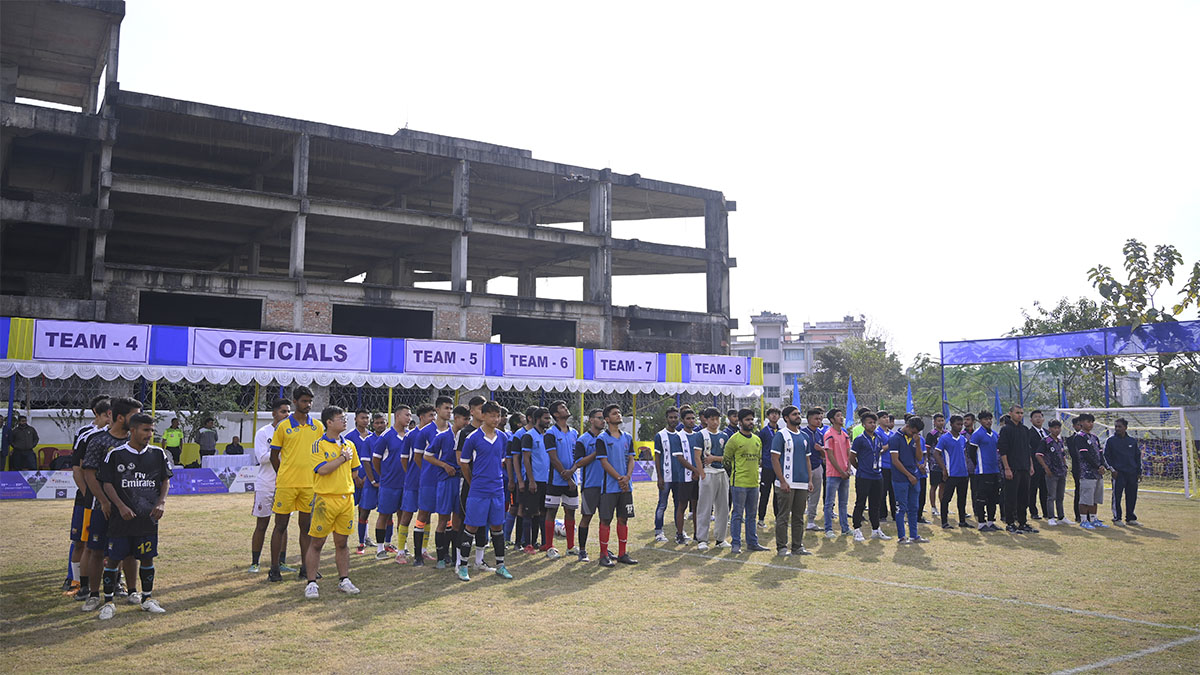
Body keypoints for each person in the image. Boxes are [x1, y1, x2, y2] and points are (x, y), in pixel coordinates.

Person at [96, 412, 171, 620]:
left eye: (152, 430)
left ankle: (147, 599)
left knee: (147, 558)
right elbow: (107, 483)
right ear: (133, 430)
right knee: (113, 559)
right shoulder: (116, 455)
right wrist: (120, 506)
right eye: (145, 430)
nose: (150, 434)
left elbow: (165, 480)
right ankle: (108, 603)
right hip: (121, 519)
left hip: (147, 519)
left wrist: (161, 502)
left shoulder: (158, 454)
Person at [81, 397, 143, 612]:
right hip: (103, 507)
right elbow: (89, 474)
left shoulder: (136, 442)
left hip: (130, 508)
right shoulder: (98, 441)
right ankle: (93, 595)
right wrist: (104, 501)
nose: (138, 420)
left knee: (130, 551)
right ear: (120, 417)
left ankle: (132, 590)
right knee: (97, 550)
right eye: (134, 416)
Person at [302, 406, 361, 599]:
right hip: (325, 500)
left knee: (342, 542)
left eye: (345, 418)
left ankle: (344, 579)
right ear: (329, 422)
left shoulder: (349, 445)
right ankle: (311, 583)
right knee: (317, 542)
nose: (345, 421)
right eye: (340, 418)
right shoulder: (318, 445)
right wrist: (342, 459)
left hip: (346, 499)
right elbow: (322, 470)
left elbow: (355, 471)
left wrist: (344, 471)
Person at [267, 386, 324, 582]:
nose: (307, 405)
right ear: (295, 402)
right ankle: (274, 569)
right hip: (287, 485)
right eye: (304, 401)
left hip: (309, 485)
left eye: (310, 401)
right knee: (280, 526)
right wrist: (283, 474)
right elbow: (274, 455)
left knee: (306, 527)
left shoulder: (318, 426)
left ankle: (306, 568)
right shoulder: (283, 426)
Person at [456, 401, 514, 581]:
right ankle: (463, 566)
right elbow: (464, 464)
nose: (496, 419)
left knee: (497, 526)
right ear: (483, 415)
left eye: (498, 416)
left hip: (497, 490)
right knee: (471, 526)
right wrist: (473, 482)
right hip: (478, 490)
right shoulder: (472, 438)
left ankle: (500, 565)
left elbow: (501, 460)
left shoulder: (503, 437)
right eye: (492, 415)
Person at [66, 396, 111, 599]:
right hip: (86, 499)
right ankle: (74, 580)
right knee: (81, 542)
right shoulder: (85, 434)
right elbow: (78, 469)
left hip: (106, 499)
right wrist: (89, 495)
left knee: (108, 544)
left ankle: (112, 582)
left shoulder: (119, 437)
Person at [249, 398, 293, 574]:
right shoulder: (263, 433)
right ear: (274, 413)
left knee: (283, 524)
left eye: (288, 411)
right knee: (262, 524)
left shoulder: (292, 432)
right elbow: (261, 457)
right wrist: (279, 450)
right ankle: (255, 562)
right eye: (283, 411)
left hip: (286, 484)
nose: (287, 415)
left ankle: (281, 562)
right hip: (266, 484)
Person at [594, 404, 638, 567]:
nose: (618, 415)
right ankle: (603, 555)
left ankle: (622, 554)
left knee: (623, 519)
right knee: (605, 520)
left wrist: (627, 478)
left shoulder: (627, 437)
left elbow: (631, 459)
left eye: (619, 412)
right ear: (607, 419)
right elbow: (604, 462)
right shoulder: (602, 439)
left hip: (626, 487)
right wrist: (620, 478)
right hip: (610, 487)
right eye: (614, 413)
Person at [413, 396, 454, 566]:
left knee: (447, 517)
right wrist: (427, 471)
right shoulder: (425, 432)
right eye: (446, 408)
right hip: (429, 481)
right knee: (423, 515)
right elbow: (418, 456)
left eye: (451, 408)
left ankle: (445, 553)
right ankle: (417, 556)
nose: (449, 411)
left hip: (446, 480)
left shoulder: (453, 431)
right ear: (437, 410)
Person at [394, 404, 434, 564]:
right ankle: (400, 551)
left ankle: (423, 549)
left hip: (428, 482)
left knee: (426, 515)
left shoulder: (434, 433)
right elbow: (404, 459)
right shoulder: (411, 435)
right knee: (407, 515)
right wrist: (412, 474)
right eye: (430, 415)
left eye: (434, 415)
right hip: (413, 481)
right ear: (422, 417)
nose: (433, 418)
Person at [770, 405, 812, 555]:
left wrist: (810, 480)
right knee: (783, 516)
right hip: (786, 483)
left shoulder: (805, 436)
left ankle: (797, 546)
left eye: (799, 414)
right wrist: (782, 481)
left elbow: (807, 460)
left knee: (799, 517)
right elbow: (775, 459)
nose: (798, 416)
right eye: (794, 414)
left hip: (802, 483)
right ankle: (782, 547)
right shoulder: (781, 435)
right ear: (786, 418)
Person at [725, 409, 768, 554]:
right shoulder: (734, 439)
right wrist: (735, 475)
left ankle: (752, 543)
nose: (750, 422)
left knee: (752, 515)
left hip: (754, 483)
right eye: (747, 420)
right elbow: (726, 460)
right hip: (739, 483)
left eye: (752, 419)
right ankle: (736, 543)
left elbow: (758, 460)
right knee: (737, 514)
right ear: (740, 422)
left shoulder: (757, 440)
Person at [372, 404, 412, 561]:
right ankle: (380, 548)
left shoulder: (409, 435)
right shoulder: (386, 436)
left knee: (404, 515)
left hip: (406, 483)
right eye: (406, 415)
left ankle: (402, 547)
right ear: (397, 416)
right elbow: (376, 460)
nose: (409, 418)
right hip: (389, 484)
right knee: (384, 515)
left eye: (410, 415)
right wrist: (384, 475)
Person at [432, 406, 469, 568]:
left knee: (458, 520)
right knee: (443, 519)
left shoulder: (468, 437)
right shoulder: (442, 436)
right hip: (446, 481)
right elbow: (427, 456)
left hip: (460, 482)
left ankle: (456, 558)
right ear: (456, 418)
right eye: (464, 419)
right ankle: (441, 557)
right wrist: (444, 465)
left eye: (468, 419)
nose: (466, 422)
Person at [543, 400, 580, 557]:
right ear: (556, 414)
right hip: (556, 480)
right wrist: (566, 476)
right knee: (551, 511)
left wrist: (572, 471)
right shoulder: (550, 433)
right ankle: (549, 547)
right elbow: (553, 458)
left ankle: (570, 546)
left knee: (570, 512)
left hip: (572, 478)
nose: (566, 408)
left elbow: (578, 456)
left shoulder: (574, 433)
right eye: (562, 408)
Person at [692, 407, 730, 551]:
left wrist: (716, 459)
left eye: (717, 419)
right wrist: (702, 473)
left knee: (723, 507)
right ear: (706, 420)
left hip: (721, 472)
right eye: (712, 419)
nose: (715, 422)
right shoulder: (700, 435)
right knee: (705, 507)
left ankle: (720, 538)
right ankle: (702, 539)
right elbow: (697, 456)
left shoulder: (724, 436)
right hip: (708, 473)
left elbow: (727, 457)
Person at [849, 411, 889, 541]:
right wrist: (859, 468)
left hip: (877, 475)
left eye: (874, 422)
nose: (872, 425)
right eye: (869, 422)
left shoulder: (878, 438)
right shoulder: (860, 439)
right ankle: (857, 529)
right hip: (864, 476)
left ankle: (876, 529)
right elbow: (852, 457)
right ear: (863, 424)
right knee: (860, 503)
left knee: (875, 504)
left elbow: (878, 452)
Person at [997, 405, 1037, 534]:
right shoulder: (1006, 430)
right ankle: (1010, 523)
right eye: (1017, 413)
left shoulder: (1025, 430)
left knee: (1024, 497)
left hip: (1024, 467)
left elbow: (1028, 449)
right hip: (1012, 468)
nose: (1019, 415)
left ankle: (1022, 522)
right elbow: (1003, 451)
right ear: (1010, 413)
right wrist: (1007, 468)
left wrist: (1031, 465)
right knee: (1011, 497)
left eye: (1021, 413)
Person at [573, 408, 606, 562]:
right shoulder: (583, 440)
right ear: (591, 420)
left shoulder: (607, 437)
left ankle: (604, 551)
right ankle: (582, 550)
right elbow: (579, 462)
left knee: (605, 519)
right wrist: (596, 453)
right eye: (599, 418)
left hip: (607, 485)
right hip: (590, 485)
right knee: (586, 517)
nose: (603, 421)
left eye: (603, 418)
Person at [888, 416, 927, 544]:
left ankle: (914, 535)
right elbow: (895, 461)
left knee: (914, 507)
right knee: (901, 508)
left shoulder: (915, 438)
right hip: (900, 479)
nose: (914, 434)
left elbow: (919, 458)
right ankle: (902, 536)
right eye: (913, 431)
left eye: (917, 433)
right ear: (908, 426)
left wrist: (918, 443)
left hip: (914, 478)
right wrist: (909, 475)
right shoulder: (895, 439)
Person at [520, 407, 552, 557]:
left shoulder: (547, 436)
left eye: (549, 418)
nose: (548, 421)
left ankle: (544, 542)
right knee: (529, 513)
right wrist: (531, 480)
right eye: (546, 418)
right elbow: (526, 459)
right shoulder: (529, 436)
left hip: (546, 480)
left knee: (544, 512)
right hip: (534, 480)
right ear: (537, 419)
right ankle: (527, 544)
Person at [652, 408, 686, 544]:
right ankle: (659, 531)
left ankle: (680, 531)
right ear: (666, 418)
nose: (673, 420)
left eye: (675, 417)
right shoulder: (660, 435)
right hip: (666, 477)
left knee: (679, 505)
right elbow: (657, 456)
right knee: (662, 504)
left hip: (679, 477)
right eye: (671, 417)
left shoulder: (680, 436)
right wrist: (659, 477)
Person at [343, 410, 375, 555]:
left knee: (365, 509)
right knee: (350, 509)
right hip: (353, 478)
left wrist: (368, 477)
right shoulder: (349, 437)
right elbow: (347, 460)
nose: (365, 420)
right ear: (356, 419)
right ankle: (345, 537)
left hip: (368, 478)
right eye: (362, 418)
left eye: (367, 418)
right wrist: (355, 477)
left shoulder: (372, 437)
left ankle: (365, 538)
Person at [1072, 413, 1110, 529]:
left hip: (1097, 474)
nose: (1090, 424)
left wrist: (1103, 465)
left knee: (1095, 498)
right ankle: (1084, 520)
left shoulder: (1094, 437)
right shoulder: (1079, 437)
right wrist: (1097, 466)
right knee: (1085, 498)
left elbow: (1100, 453)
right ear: (1081, 423)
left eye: (1092, 422)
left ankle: (1094, 519)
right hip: (1086, 472)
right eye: (1088, 421)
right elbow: (1085, 454)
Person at [934, 415, 971, 529]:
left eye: (961, 424)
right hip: (951, 473)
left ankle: (962, 521)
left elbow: (964, 453)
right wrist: (944, 469)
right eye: (958, 424)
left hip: (963, 473)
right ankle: (944, 522)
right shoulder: (944, 438)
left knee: (962, 498)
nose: (960, 427)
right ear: (951, 424)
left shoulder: (963, 439)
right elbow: (936, 453)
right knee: (946, 498)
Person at [967, 411, 1002, 532]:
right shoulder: (977, 434)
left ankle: (991, 522)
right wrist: (978, 465)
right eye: (985, 419)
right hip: (982, 472)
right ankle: (981, 523)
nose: (988, 421)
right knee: (981, 498)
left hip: (994, 470)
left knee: (993, 498)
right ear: (980, 421)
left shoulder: (995, 434)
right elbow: (971, 452)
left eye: (990, 419)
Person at [1106, 418, 1142, 526]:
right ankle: (1117, 518)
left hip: (1132, 473)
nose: (1117, 428)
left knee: (1132, 496)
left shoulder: (1132, 441)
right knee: (1117, 496)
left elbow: (1137, 457)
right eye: (1116, 426)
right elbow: (1106, 457)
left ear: (1125, 428)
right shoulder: (1111, 441)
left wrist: (1139, 472)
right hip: (1118, 473)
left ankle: (1130, 518)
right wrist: (1112, 469)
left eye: (1119, 426)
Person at [822, 409, 852, 539]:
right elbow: (830, 455)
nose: (841, 418)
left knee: (843, 503)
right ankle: (828, 529)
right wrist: (840, 471)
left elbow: (849, 453)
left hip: (845, 473)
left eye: (841, 415)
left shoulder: (845, 435)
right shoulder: (829, 434)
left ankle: (845, 528)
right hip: (833, 474)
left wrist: (848, 469)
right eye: (838, 416)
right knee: (829, 503)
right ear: (832, 419)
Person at [1035, 420, 1069, 526]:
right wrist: (1046, 468)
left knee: (1060, 496)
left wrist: (1065, 466)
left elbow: (1063, 455)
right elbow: (1038, 455)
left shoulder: (1060, 441)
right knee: (1051, 496)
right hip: (1052, 472)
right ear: (1049, 429)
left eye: (1058, 428)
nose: (1057, 430)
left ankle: (1061, 516)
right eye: (1054, 428)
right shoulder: (1045, 441)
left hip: (1061, 472)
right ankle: (1051, 517)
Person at [800, 409, 828, 532]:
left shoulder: (820, 434)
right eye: (816, 419)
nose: (818, 421)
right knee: (801, 495)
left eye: (820, 419)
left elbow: (825, 454)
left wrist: (821, 450)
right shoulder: (802, 433)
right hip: (803, 468)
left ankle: (811, 521)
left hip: (817, 467)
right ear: (809, 419)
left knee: (815, 495)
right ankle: (798, 519)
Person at [677, 408, 702, 538]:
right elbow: (680, 458)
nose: (691, 421)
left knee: (696, 506)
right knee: (682, 506)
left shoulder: (698, 435)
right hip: (684, 477)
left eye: (693, 418)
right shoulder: (678, 436)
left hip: (697, 477)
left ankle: (697, 534)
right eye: (688, 419)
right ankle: (680, 534)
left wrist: (699, 471)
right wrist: (694, 470)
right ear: (683, 420)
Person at [756, 407, 781, 529]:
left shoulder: (781, 432)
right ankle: (761, 519)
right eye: (772, 414)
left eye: (776, 414)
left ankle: (778, 518)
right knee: (764, 494)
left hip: (779, 468)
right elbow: (759, 447)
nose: (774, 416)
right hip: (767, 466)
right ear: (768, 416)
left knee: (778, 494)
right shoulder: (764, 432)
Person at [1027, 410, 1049, 520]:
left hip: (1046, 466)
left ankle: (1047, 512)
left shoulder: (1047, 432)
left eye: (1040, 417)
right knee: (1033, 489)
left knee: (1045, 490)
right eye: (1035, 417)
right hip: (1034, 465)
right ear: (1031, 420)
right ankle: (1033, 512)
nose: (1038, 419)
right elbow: (1028, 450)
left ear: (1043, 419)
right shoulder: (1029, 433)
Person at [876, 411, 897, 522]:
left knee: (894, 491)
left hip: (893, 466)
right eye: (884, 417)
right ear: (879, 420)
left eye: (887, 417)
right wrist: (888, 445)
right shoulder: (877, 433)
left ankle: (895, 514)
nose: (887, 419)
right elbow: (878, 450)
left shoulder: (892, 433)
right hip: (882, 465)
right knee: (882, 491)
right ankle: (882, 515)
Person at [925, 413, 946, 519]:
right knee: (934, 486)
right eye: (939, 421)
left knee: (943, 485)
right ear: (934, 422)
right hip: (934, 465)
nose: (941, 423)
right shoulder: (931, 434)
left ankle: (943, 506)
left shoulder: (946, 433)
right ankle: (933, 507)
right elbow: (928, 449)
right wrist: (929, 460)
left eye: (942, 420)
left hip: (944, 464)